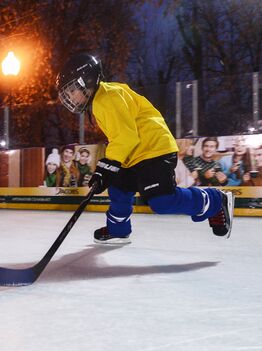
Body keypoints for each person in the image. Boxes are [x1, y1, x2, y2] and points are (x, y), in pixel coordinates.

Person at [56, 53, 234, 243]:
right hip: (136, 153)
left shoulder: (106, 98)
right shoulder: (102, 99)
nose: (69, 97)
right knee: (119, 188)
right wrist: (108, 168)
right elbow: (124, 137)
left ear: (87, 80)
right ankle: (118, 229)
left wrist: (106, 166)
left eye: (72, 90)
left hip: (154, 150)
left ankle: (215, 200)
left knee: (162, 201)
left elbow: (125, 137)